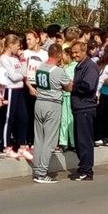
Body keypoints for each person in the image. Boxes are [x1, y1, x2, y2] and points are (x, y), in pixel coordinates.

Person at [30, 44, 68, 183]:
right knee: (50, 140)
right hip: (52, 104)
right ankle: (42, 173)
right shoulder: (58, 71)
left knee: (39, 138)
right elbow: (69, 86)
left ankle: (36, 169)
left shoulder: (40, 67)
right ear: (58, 54)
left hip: (39, 102)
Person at [68, 40, 98, 181]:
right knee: (79, 140)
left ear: (84, 51)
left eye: (77, 52)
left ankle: (87, 170)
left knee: (85, 140)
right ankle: (83, 167)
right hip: (78, 106)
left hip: (86, 107)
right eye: (72, 52)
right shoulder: (79, 66)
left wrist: (73, 87)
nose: (74, 55)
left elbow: (88, 86)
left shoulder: (90, 66)